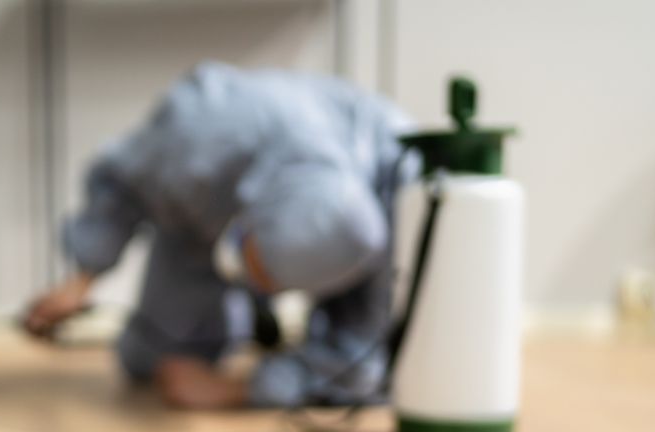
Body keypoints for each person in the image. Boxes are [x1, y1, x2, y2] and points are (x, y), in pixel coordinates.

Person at [23, 62, 413, 410]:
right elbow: (123, 178)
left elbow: (358, 366)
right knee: (150, 360)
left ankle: (255, 333)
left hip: (343, 217)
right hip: (217, 201)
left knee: (364, 367)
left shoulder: (403, 205)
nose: (258, 288)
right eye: (254, 266)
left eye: (271, 284)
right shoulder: (205, 134)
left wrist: (238, 390)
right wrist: (82, 277)